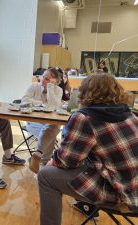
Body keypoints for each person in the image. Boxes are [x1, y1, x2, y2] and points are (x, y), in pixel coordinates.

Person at [38, 74, 138, 225]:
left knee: (45, 175)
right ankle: (85, 206)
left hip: (122, 194)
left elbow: (67, 161)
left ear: (85, 92)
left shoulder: (85, 117)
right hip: (133, 184)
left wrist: (52, 161)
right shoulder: (131, 115)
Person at [22, 68, 62, 169]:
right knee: (50, 134)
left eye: (47, 79)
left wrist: (50, 88)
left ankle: (38, 155)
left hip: (50, 123)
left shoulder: (58, 90)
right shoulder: (34, 86)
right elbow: (24, 100)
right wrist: (42, 104)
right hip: (33, 122)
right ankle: (44, 163)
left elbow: (54, 106)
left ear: (55, 82)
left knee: (52, 128)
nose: (43, 80)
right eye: (43, 76)